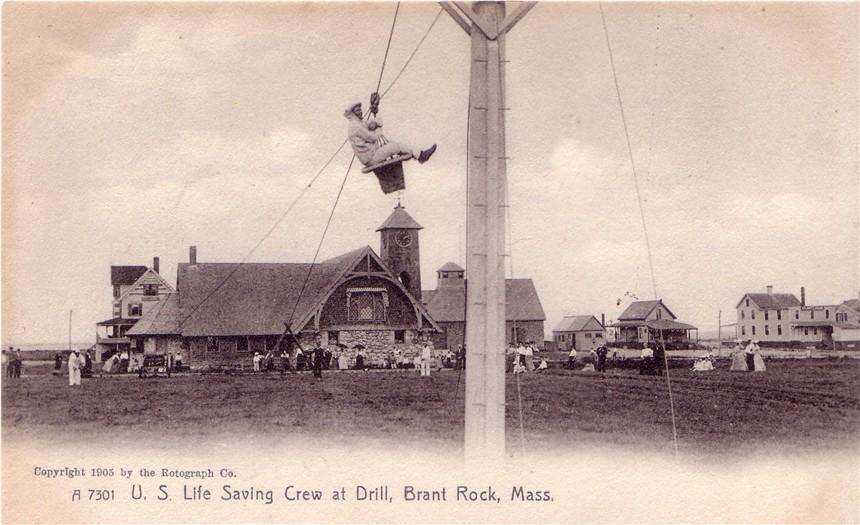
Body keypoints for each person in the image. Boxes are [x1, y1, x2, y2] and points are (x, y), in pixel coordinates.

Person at [344, 102, 436, 168]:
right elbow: (372, 138)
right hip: (371, 159)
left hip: (371, 155)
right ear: (352, 113)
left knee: (396, 145)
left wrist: (376, 121)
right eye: (357, 110)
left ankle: (418, 155)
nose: (360, 112)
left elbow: (368, 124)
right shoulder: (355, 126)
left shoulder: (358, 123)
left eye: (360, 109)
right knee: (395, 146)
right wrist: (379, 128)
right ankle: (420, 156)